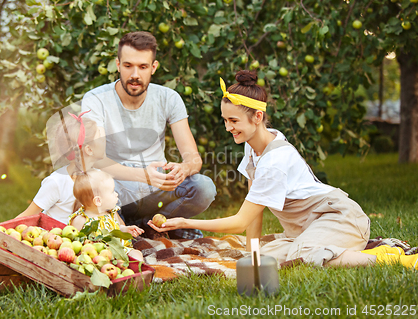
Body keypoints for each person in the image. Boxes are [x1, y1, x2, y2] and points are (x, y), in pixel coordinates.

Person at [148, 70, 418, 269]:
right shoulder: (255, 144)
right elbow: (254, 208)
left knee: (301, 258)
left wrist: (183, 222)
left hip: (340, 218)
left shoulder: (274, 161)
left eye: (233, 120)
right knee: (267, 258)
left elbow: (240, 221)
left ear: (258, 117)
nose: (228, 128)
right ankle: (328, 247)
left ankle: (392, 260)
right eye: (225, 120)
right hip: (309, 226)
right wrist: (252, 253)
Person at [81, 31, 216, 239]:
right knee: (93, 183)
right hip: (115, 188)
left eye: (143, 67)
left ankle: (150, 226)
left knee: (204, 187)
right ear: (118, 64)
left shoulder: (169, 98)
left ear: (153, 67)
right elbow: (94, 159)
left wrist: (184, 168)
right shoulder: (95, 99)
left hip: (157, 186)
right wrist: (142, 175)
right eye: (128, 66)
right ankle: (128, 227)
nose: (135, 74)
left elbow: (193, 158)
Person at [16, 111, 105, 224]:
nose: (105, 141)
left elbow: (110, 214)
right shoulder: (57, 182)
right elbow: (27, 215)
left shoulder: (100, 177)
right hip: (56, 238)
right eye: (101, 139)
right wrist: (0, 232)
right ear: (89, 150)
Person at [69, 169, 144, 261]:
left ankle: (138, 273)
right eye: (112, 191)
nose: (116, 194)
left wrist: (124, 229)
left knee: (137, 255)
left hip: (119, 251)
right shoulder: (81, 220)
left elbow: (116, 228)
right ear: (98, 201)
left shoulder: (111, 213)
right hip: (97, 257)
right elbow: (75, 243)